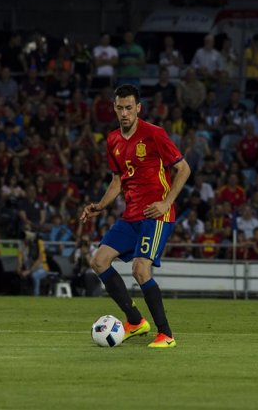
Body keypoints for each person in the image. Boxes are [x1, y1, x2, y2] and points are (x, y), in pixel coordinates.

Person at [80, 84, 191, 348]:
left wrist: (166, 202)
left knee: (140, 268)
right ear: (114, 108)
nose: (124, 113)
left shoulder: (154, 134)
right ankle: (135, 321)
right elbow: (117, 181)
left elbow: (184, 168)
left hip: (156, 214)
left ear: (138, 108)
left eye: (129, 108)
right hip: (131, 215)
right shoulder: (113, 140)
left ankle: (166, 334)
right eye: (120, 108)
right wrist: (100, 205)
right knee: (99, 261)